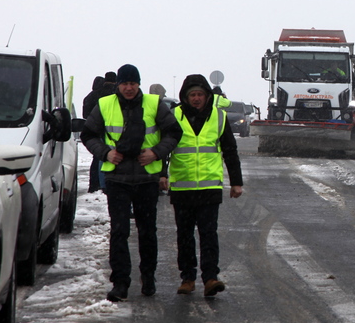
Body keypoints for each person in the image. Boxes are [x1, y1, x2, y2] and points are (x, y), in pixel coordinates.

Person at [81, 64, 182, 302]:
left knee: (147, 232)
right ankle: (120, 283)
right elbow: (88, 135)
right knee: (119, 231)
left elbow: (173, 133)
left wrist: (156, 153)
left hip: (147, 179)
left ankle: (148, 278)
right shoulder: (105, 105)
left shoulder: (154, 104)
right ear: (118, 85)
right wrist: (105, 153)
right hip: (117, 179)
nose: (128, 88)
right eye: (125, 84)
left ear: (139, 84)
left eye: (132, 84)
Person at [160, 74, 243, 297]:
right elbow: (163, 147)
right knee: (184, 235)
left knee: (208, 234)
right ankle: (187, 279)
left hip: (209, 187)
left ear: (207, 96)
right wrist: (161, 174)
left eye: (200, 95)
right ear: (185, 97)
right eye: (192, 95)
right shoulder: (173, 116)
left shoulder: (219, 117)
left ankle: (210, 278)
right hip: (182, 187)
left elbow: (230, 151)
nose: (196, 99)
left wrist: (236, 182)